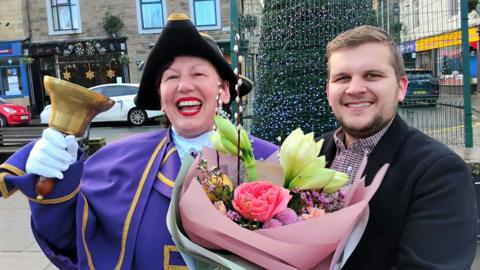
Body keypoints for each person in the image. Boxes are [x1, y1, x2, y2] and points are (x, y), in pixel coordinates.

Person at [0, 14, 277, 269]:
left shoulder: (273, 161)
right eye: (171, 77)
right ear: (161, 96)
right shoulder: (116, 160)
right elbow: (71, 240)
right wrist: (54, 185)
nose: (184, 85)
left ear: (225, 91)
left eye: (198, 73)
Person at [321, 25, 477, 269]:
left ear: (401, 88)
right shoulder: (312, 151)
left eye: (372, 75)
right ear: (329, 92)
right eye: (343, 78)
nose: (355, 88)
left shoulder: (439, 173)